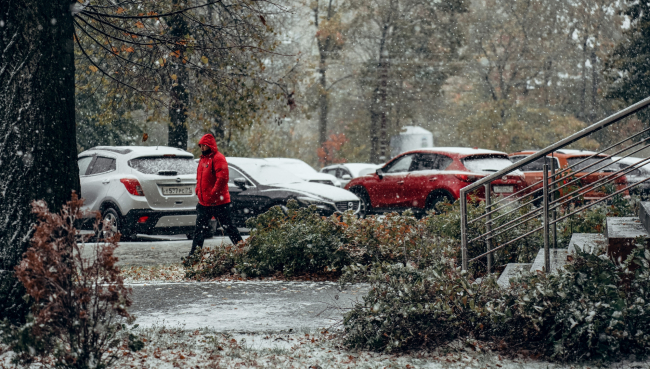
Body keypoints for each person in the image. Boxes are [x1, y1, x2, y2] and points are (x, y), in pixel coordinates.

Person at [185, 134, 243, 264]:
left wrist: (213, 194)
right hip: (204, 203)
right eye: (201, 145)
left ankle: (243, 250)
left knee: (229, 228)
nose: (203, 147)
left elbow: (222, 179)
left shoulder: (218, 158)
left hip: (219, 203)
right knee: (199, 231)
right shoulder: (203, 160)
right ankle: (193, 257)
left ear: (210, 145)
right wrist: (198, 191)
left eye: (205, 145)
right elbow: (200, 179)